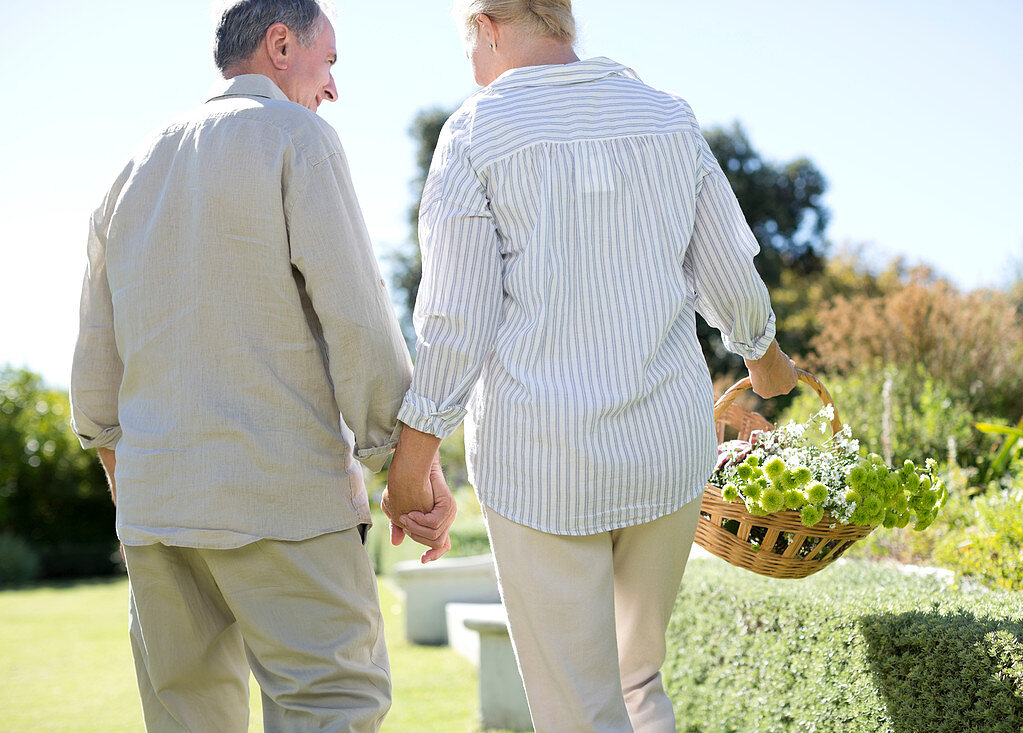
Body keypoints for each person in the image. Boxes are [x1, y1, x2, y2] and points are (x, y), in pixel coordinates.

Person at [383, 0, 799, 730]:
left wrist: (410, 465)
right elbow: (730, 274)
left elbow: (455, 321)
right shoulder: (668, 118)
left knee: (580, 711)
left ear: (485, 26)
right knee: (639, 682)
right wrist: (767, 362)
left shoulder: (476, 133)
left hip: (541, 463)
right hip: (664, 457)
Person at [69, 1, 454, 730]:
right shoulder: (297, 137)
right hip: (284, 502)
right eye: (329, 61)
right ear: (281, 43)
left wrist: (143, 492)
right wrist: (402, 472)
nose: (333, 87)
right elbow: (360, 322)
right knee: (331, 707)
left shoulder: (128, 169)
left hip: (156, 520)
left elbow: (93, 380)